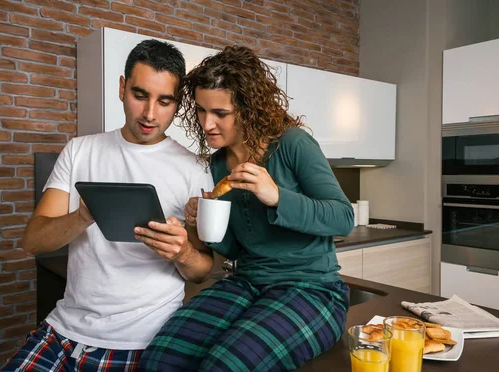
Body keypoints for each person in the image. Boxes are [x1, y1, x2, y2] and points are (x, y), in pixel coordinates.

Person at [1, 39, 214, 371]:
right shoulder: (80, 151)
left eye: (165, 101)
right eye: (139, 95)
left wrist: (182, 253)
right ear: (121, 88)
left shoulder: (195, 168)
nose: (149, 114)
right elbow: (34, 241)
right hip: (63, 329)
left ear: (176, 103)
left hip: (140, 340)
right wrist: (85, 215)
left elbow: (202, 271)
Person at [140, 45, 355, 371]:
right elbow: (235, 248)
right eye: (200, 110)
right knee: (160, 359)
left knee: (224, 365)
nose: (207, 123)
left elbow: (343, 218)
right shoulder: (215, 166)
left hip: (313, 289)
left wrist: (277, 196)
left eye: (220, 114)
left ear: (249, 108)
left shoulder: (292, 144)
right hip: (247, 282)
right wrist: (203, 226)